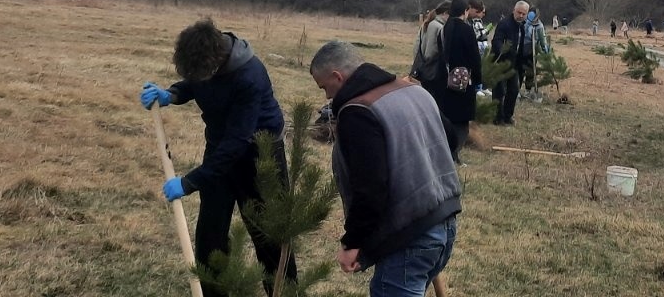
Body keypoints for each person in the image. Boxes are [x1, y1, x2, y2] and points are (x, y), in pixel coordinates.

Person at [139, 18, 298, 296]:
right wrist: (172, 94)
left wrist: (189, 182)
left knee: (268, 235)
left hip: (259, 155)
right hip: (220, 147)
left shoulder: (249, 76)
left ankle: (283, 292)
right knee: (210, 235)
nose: (198, 79)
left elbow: (236, 143)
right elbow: (194, 84)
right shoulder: (205, 58)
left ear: (217, 63)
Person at [308, 41, 461, 295]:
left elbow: (370, 188)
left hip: (410, 238)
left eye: (325, 87)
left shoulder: (357, 112)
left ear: (338, 76)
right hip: (445, 224)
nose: (327, 97)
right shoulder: (415, 92)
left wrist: (352, 242)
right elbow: (452, 139)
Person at [435, 0, 484, 163]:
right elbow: (474, 57)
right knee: (462, 121)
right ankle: (454, 155)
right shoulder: (466, 29)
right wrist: (478, 79)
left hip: (446, 80)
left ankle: (444, 152)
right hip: (463, 81)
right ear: (465, 11)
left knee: (447, 118)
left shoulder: (444, 28)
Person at [489, 0, 534, 126]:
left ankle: (508, 116)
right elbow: (497, 41)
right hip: (500, 63)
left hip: (514, 65)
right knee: (499, 92)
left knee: (513, 90)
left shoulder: (521, 26)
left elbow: (520, 46)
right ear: (514, 10)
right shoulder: (504, 24)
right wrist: (502, 51)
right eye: (519, 12)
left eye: (523, 14)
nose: (520, 15)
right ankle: (497, 118)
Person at [411, 2, 449, 87]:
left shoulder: (427, 24)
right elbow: (430, 51)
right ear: (445, 13)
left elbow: (417, 45)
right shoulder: (438, 27)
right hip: (431, 70)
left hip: (421, 67)